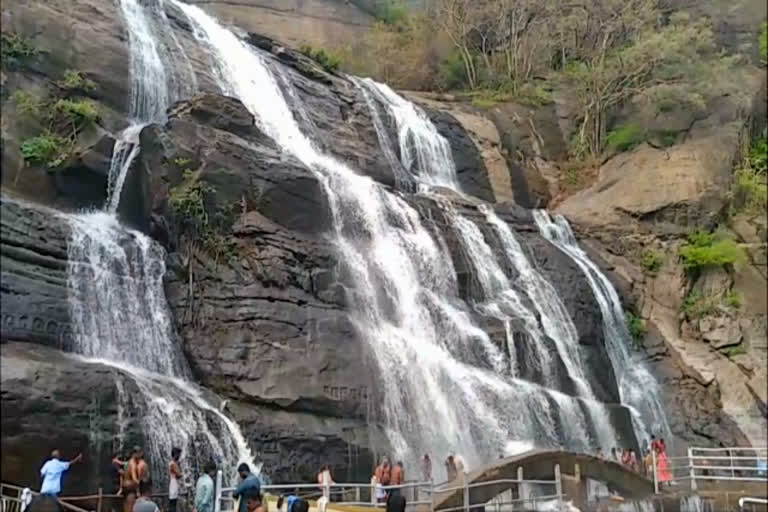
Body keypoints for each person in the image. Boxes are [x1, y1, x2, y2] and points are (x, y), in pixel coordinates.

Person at [168, 448, 182, 512]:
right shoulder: (173, 464)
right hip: (174, 483)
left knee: (174, 500)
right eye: (179, 454)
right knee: (173, 501)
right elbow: (178, 474)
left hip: (174, 482)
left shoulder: (173, 463)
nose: (180, 456)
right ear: (176, 454)